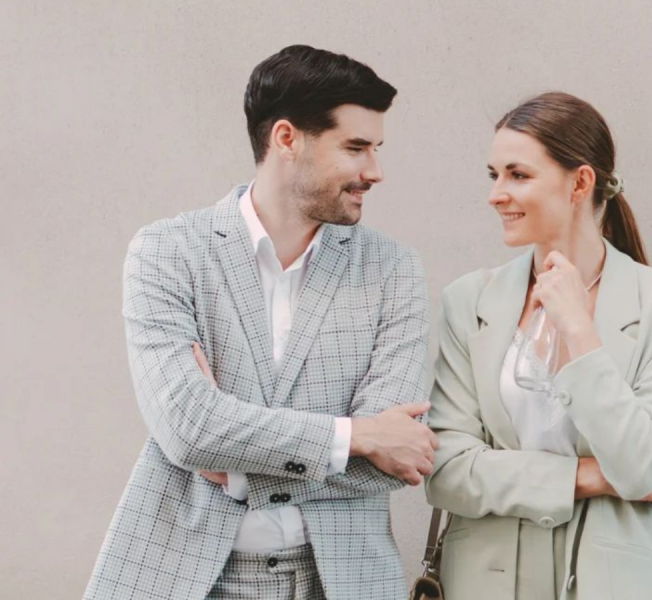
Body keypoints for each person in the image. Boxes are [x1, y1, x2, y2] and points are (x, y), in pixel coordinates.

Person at [85, 45, 437, 600]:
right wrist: (358, 436)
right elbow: (188, 429)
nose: (375, 171)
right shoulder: (168, 252)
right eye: (355, 147)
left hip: (343, 579)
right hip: (186, 579)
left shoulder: (393, 269)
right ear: (287, 139)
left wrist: (234, 466)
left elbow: (396, 459)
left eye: (376, 148)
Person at [425, 91, 652, 600]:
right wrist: (590, 476)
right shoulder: (469, 300)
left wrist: (579, 329)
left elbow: (642, 467)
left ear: (580, 182)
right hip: (487, 581)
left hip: (614, 582)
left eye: (518, 175)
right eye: (494, 175)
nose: (496, 194)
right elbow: (446, 472)